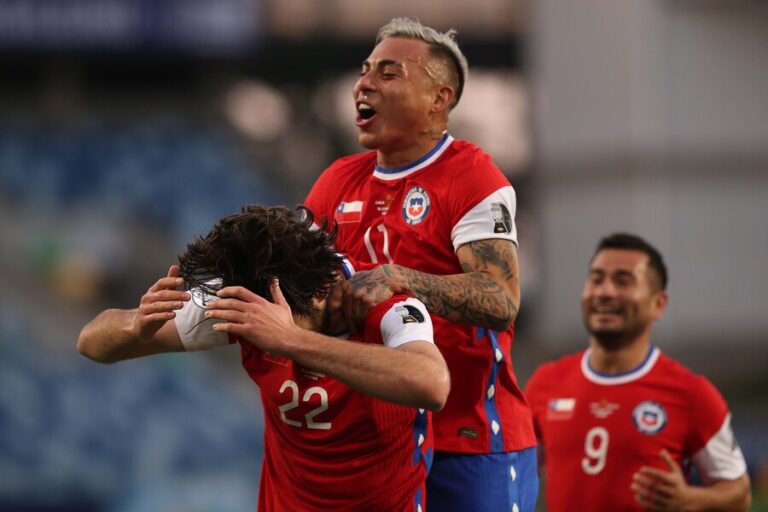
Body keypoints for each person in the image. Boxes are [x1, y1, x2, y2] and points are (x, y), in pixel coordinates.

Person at [304, 17, 537, 511]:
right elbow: (301, 290)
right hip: (375, 443)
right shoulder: (335, 182)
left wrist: (400, 279)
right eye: (365, 71)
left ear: (439, 99)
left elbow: (502, 299)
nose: (364, 84)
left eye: (388, 73)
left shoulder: (473, 177)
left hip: (467, 442)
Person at [77, 205, 450, 512]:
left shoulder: (386, 308)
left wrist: (291, 339)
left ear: (323, 290)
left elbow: (432, 383)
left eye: (277, 321)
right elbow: (90, 343)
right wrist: (133, 328)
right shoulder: (245, 303)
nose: (262, 337)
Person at [524, 233, 752, 512]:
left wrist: (689, 500)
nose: (605, 291)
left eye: (623, 281)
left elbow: (739, 492)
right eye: (596, 279)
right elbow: (516, 472)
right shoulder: (547, 382)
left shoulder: (692, 393)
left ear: (658, 304)